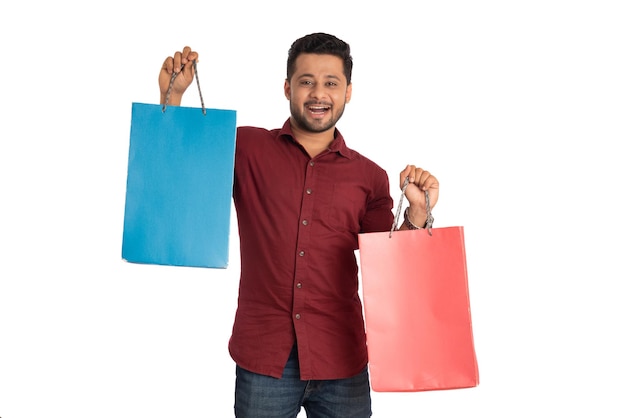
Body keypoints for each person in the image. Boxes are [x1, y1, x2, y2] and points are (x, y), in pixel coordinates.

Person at [158, 33, 439, 418]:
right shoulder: (247, 149)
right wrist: (173, 101)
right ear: (288, 87)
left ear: (348, 92)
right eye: (306, 81)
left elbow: (391, 264)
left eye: (331, 83)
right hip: (264, 358)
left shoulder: (370, 177)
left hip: (342, 358)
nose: (317, 93)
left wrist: (417, 215)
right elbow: (183, 172)